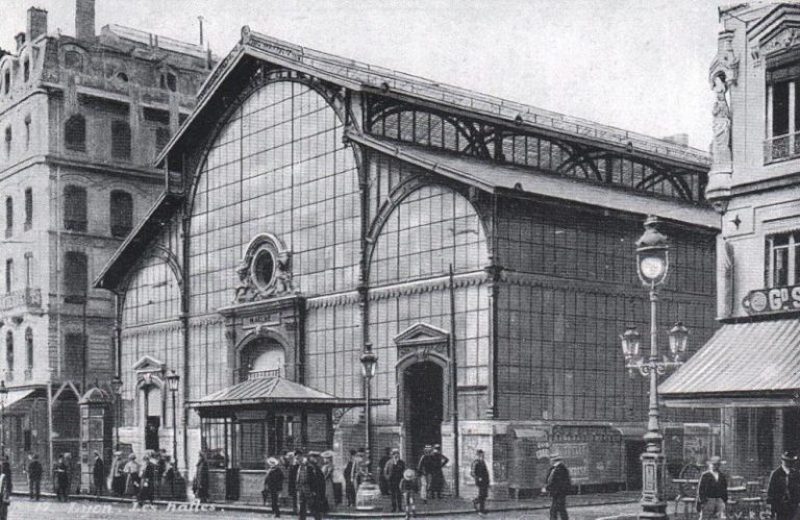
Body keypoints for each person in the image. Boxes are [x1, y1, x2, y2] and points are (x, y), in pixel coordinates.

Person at [768, 451, 800, 520]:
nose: (790, 463)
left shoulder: (796, 474)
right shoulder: (776, 474)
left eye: (792, 461)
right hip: (780, 506)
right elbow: (771, 491)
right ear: (782, 461)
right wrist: (772, 508)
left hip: (794, 506)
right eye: (787, 461)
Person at [296, 451, 325, 520]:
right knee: (302, 508)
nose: (315, 459)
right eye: (313, 457)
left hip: (310, 491)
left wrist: (314, 491)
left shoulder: (313, 467)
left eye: (315, 457)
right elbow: (299, 477)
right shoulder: (303, 466)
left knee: (314, 508)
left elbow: (317, 481)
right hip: (302, 490)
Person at [543, 453, 571, 520]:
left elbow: (558, 483)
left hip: (560, 493)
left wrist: (548, 488)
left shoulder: (561, 469)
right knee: (558, 510)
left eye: (551, 459)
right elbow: (550, 479)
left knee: (556, 510)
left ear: (554, 460)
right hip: (556, 493)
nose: (550, 461)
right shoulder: (553, 468)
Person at [384, 448, 407, 513]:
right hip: (392, 480)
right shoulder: (389, 462)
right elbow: (385, 470)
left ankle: (400, 507)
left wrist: (403, 478)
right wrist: (387, 477)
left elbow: (404, 470)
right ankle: (394, 507)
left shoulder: (401, 462)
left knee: (399, 494)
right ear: (392, 455)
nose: (396, 455)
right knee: (393, 494)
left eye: (397, 453)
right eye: (394, 454)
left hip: (399, 480)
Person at [471, 449, 490, 515]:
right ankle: (481, 510)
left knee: (484, 495)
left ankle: (476, 502)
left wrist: (488, 480)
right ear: (478, 455)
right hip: (480, 481)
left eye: (483, 454)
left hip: (485, 480)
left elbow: (486, 472)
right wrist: (478, 478)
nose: (483, 456)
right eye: (481, 454)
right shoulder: (476, 462)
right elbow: (472, 473)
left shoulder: (483, 462)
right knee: (482, 495)